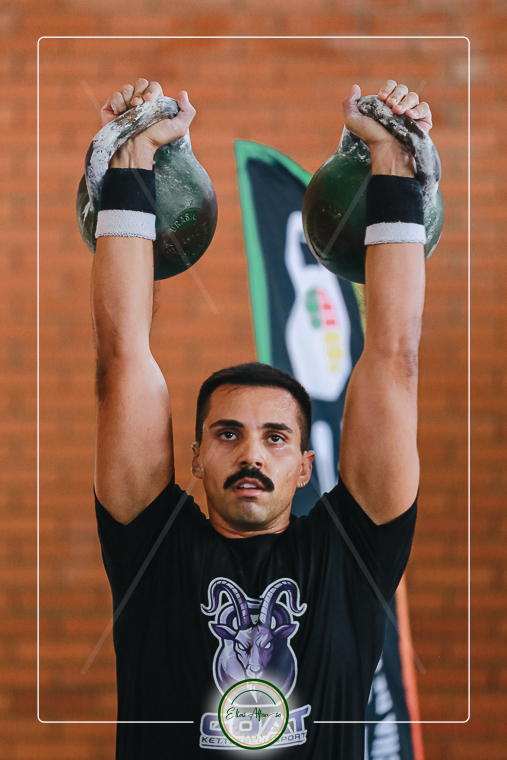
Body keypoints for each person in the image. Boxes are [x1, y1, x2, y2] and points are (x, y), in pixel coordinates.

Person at [92, 77, 432, 759]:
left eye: (275, 437)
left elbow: (395, 358)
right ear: (194, 458)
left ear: (305, 465)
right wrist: (131, 161)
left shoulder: (352, 557)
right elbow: (121, 358)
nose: (251, 453)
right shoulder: (153, 552)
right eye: (227, 433)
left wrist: (396, 161)